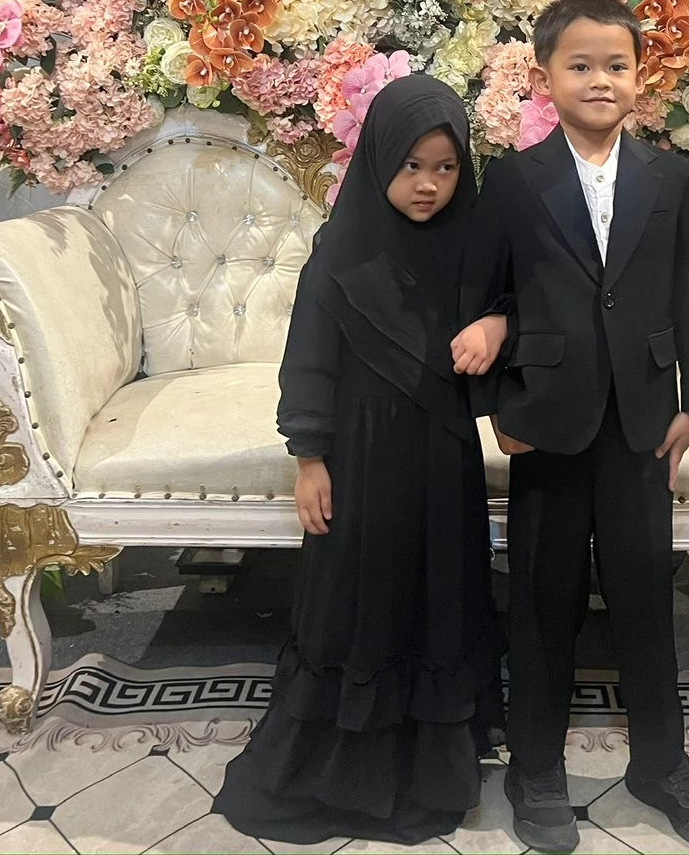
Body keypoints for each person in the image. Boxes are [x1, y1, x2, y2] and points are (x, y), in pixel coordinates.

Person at [464, 0, 689, 853]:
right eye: (579, 65)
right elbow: (487, 296)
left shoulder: (670, 177)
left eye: (616, 65)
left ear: (639, 76)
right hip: (546, 421)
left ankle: (661, 762)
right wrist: (498, 407)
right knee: (541, 600)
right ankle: (535, 768)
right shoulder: (513, 180)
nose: (599, 80)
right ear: (544, 76)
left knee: (643, 594)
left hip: (642, 421)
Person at [214, 74, 507, 846]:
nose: (427, 185)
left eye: (445, 168)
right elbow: (309, 362)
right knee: (357, 599)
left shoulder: (474, 246)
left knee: (440, 596)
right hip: (361, 459)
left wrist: (498, 327)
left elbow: (516, 306)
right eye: (410, 166)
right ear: (378, 160)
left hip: (443, 460)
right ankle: (343, 766)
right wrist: (310, 459)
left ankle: (433, 761)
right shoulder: (341, 250)